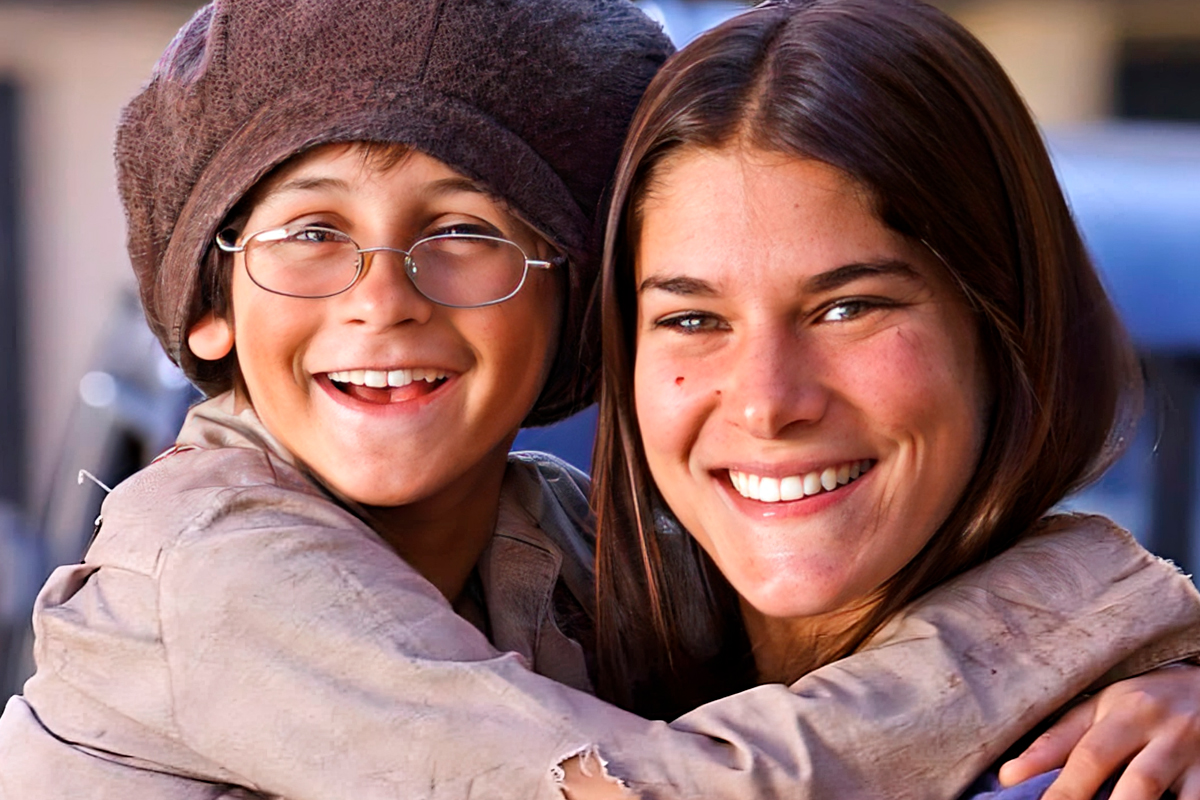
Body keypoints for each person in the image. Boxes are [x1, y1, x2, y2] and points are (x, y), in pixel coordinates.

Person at [0, 0, 1197, 799]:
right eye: (310, 231)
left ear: (570, 307)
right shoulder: (213, 559)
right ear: (207, 305)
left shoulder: (559, 542)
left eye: (466, 233)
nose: (381, 299)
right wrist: (1068, 604)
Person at [589, 0, 1200, 798]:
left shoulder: (1110, 769)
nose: (767, 404)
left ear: (1000, 322)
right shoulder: (538, 649)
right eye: (693, 319)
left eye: (848, 309)